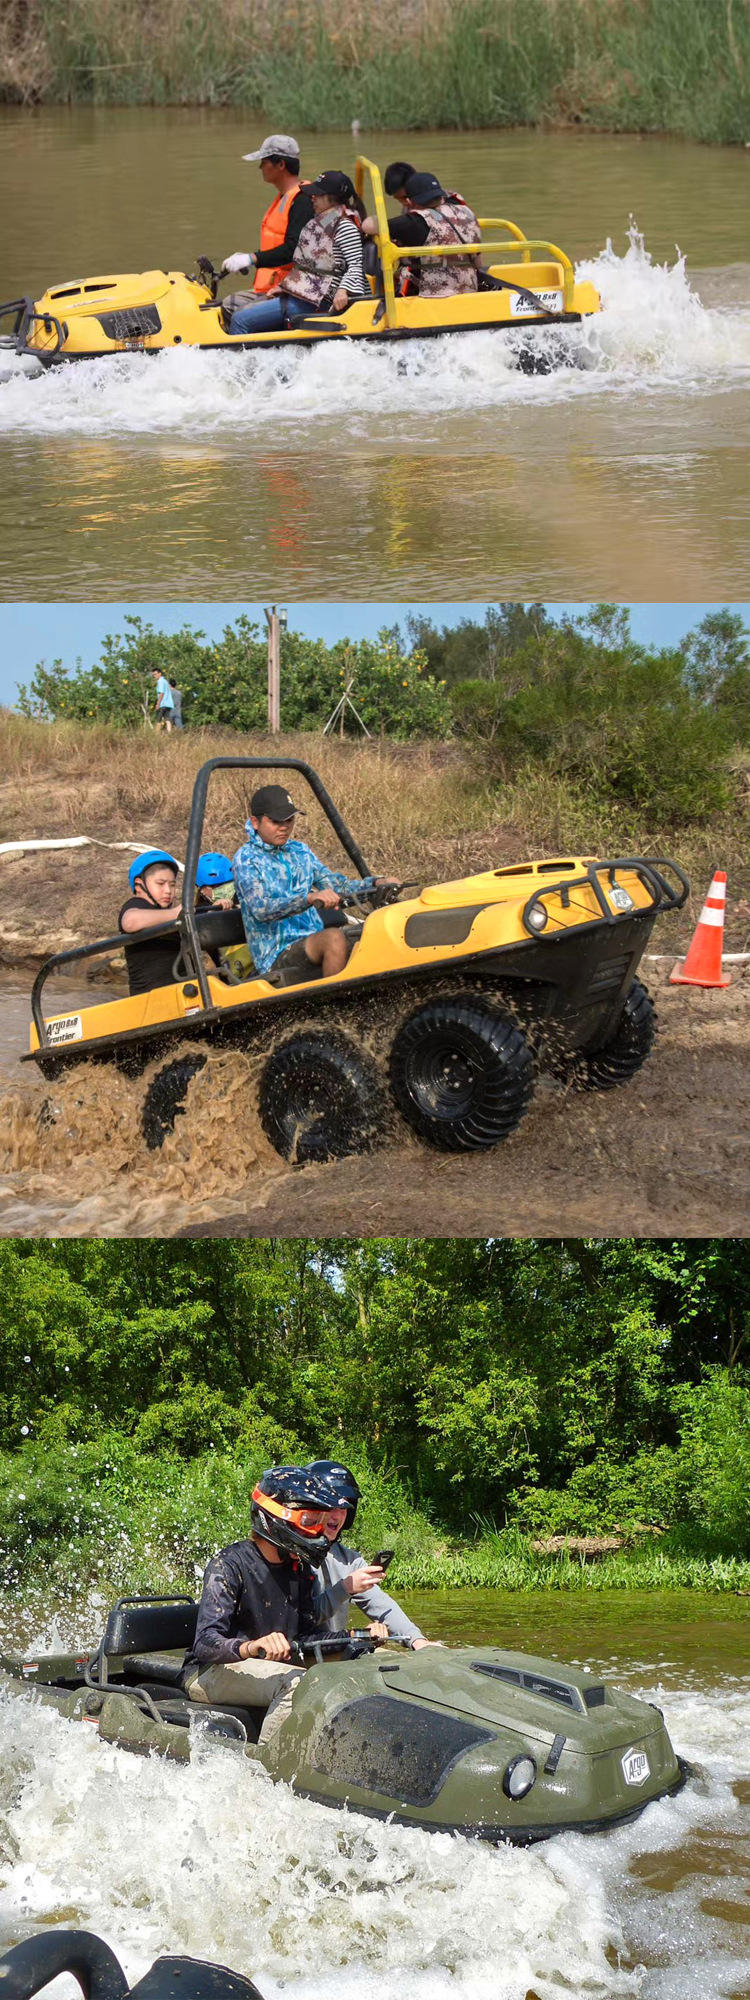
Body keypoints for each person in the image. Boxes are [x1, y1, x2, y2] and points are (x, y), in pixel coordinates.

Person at [182, 1465, 335, 1742]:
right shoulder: (228, 1564)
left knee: (353, 1667)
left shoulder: (299, 1570)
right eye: (310, 1521)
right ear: (278, 1520)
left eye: (320, 1522)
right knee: (297, 1683)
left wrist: (356, 1640)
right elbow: (204, 1643)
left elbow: (307, 1636)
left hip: (268, 1669)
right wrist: (251, 1646)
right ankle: (266, 1773)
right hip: (209, 1672)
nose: (318, 1531)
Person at [231, 783, 396, 986]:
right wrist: (308, 899)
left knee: (376, 931)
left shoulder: (300, 851)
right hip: (276, 953)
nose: (284, 827)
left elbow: (336, 885)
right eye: (276, 821)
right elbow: (262, 909)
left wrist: (377, 883)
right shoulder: (246, 859)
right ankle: (337, 1014)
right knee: (334, 939)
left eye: (289, 820)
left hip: (312, 941)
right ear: (255, 822)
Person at [305, 1460, 437, 1649]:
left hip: (331, 1653)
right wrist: (346, 1587)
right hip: (300, 1655)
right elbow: (302, 1619)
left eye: (343, 1508)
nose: (337, 1516)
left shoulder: (350, 1560)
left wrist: (416, 1639)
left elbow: (381, 1605)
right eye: (330, 1507)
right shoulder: (293, 1555)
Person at [228, 171, 370, 337]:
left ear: (331, 198)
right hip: (309, 295)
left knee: (240, 319)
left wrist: (343, 290)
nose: (312, 198)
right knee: (242, 310)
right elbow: (308, 266)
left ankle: (241, 362)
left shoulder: (345, 227)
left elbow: (356, 265)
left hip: (320, 300)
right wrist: (285, 288)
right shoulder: (322, 223)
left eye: (317, 195)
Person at [220, 134, 314, 315]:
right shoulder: (284, 197)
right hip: (271, 286)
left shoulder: (302, 201)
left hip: (290, 289)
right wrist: (247, 258)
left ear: (281, 164)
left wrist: (252, 258)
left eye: (264, 162)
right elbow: (276, 243)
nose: (260, 167)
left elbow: (293, 250)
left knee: (233, 308)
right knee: (222, 305)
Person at [364, 170, 480, 298]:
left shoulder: (415, 222)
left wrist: (377, 216)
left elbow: (367, 226)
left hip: (433, 296)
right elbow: (478, 263)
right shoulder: (466, 212)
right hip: (470, 288)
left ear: (410, 201)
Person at [118, 851, 182, 995]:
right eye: (160, 884)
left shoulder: (167, 913)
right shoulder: (136, 905)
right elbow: (130, 922)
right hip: (149, 997)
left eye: (172, 885)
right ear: (139, 886)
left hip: (182, 990)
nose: (168, 891)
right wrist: (175, 914)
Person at [152, 666, 175, 733]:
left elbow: (161, 693)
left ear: (160, 673)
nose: (154, 676)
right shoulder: (165, 681)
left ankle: (157, 735)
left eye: (155, 674)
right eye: (153, 675)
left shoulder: (160, 681)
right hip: (169, 704)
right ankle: (169, 733)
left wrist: (158, 703)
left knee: (158, 720)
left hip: (163, 704)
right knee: (167, 720)